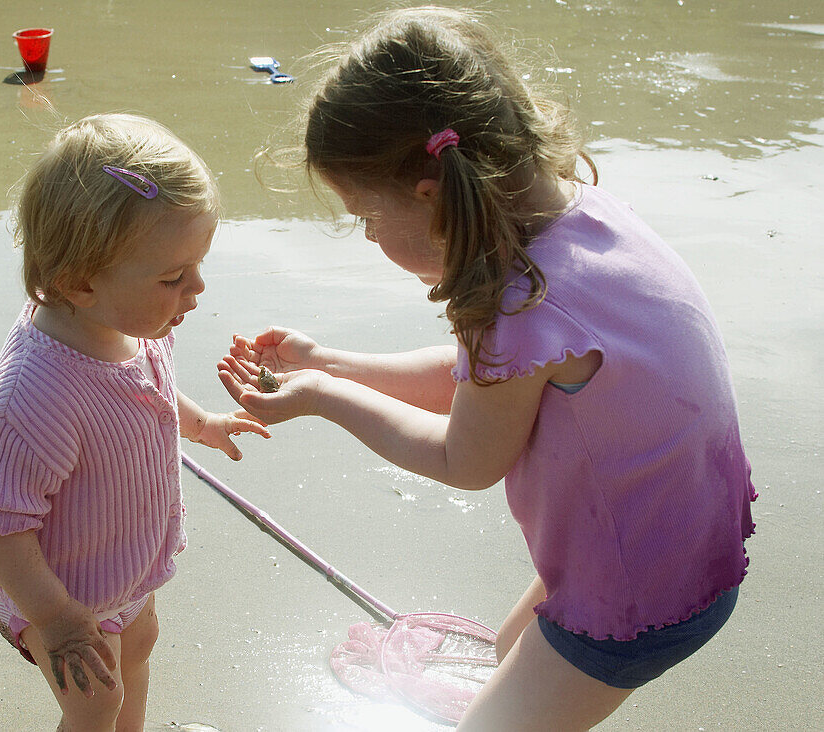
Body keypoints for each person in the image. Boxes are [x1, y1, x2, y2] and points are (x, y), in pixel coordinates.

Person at [218, 7, 756, 730]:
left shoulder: (517, 306)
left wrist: (323, 396)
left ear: (427, 191)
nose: (370, 235)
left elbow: (465, 455)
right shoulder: (589, 222)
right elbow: (489, 383)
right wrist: (334, 361)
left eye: (364, 218)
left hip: (637, 601)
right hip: (678, 545)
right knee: (508, 659)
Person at [0, 113, 269, 732]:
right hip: (56, 593)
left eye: (197, 263)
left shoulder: (135, 322)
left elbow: (151, 397)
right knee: (96, 704)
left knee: (140, 649)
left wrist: (201, 424)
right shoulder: (30, 398)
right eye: (174, 276)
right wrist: (56, 619)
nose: (197, 288)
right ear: (77, 283)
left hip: (121, 569)